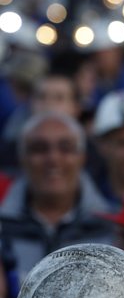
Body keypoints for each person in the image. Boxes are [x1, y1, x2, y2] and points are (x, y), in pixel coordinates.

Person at [0, 111, 113, 283]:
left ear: (82, 157)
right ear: (22, 158)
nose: (53, 158)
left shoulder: (113, 228)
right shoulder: (3, 226)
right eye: (39, 149)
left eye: (65, 148)